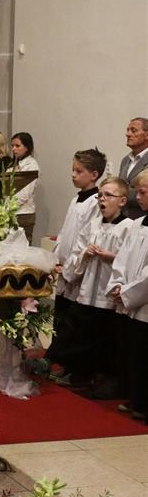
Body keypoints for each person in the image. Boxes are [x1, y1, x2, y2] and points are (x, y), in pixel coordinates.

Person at [60, 177, 132, 396]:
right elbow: (77, 252)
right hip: (88, 290)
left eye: (108, 195)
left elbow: (132, 261)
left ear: (122, 201)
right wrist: (85, 253)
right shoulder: (93, 225)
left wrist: (113, 257)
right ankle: (81, 373)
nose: (102, 199)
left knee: (106, 338)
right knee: (83, 332)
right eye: (100, 195)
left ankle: (104, 379)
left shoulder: (129, 228)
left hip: (108, 296)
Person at [46, 147, 106, 380]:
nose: (73, 174)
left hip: (78, 271)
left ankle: (75, 370)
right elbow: (65, 233)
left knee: (75, 325)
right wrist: (56, 259)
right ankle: (62, 364)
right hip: (65, 267)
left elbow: (84, 239)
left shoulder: (94, 203)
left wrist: (71, 268)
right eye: (73, 169)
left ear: (94, 174)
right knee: (61, 318)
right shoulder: (76, 199)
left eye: (79, 171)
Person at [107, 170, 148, 422]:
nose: (137, 198)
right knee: (134, 352)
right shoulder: (136, 224)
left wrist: (128, 293)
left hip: (144, 303)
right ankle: (136, 397)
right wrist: (118, 285)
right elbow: (121, 259)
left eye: (142, 193)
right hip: (130, 300)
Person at [9, 133, 40, 242]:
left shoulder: (31, 165)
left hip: (23, 213)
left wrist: (8, 207)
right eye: (12, 146)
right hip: (11, 212)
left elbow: (25, 192)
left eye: (17, 146)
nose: (14, 149)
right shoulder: (13, 164)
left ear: (27, 147)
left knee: (22, 247)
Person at [119, 117, 148, 219]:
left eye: (133, 130)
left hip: (143, 219)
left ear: (147, 135)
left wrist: (118, 192)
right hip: (123, 219)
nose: (128, 134)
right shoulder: (125, 160)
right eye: (128, 130)